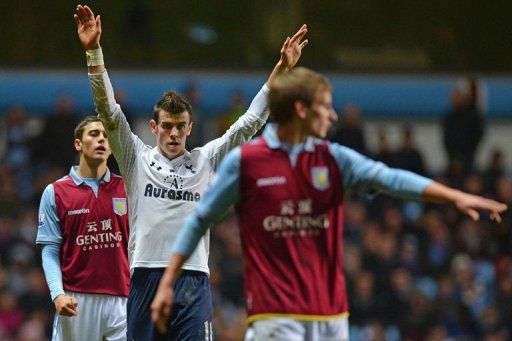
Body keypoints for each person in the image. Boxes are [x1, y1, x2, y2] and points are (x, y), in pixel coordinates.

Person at [151, 67, 507, 340]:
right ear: (301, 110)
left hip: (332, 317)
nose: (333, 116)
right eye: (325, 107)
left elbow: (391, 178)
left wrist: (454, 196)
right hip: (275, 316)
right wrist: (168, 282)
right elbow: (199, 221)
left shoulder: (334, 159)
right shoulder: (246, 163)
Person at [73, 4, 309, 339]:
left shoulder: (205, 160)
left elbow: (249, 123)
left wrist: (281, 70)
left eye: (180, 127)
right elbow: (108, 111)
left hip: (192, 280)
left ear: (190, 127)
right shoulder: (136, 158)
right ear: (154, 127)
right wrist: (94, 51)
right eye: (167, 126)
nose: (173, 134)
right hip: (144, 278)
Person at [36, 116, 130, 341]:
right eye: (94, 134)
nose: (101, 140)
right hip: (77, 299)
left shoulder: (127, 187)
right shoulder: (55, 192)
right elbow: (50, 250)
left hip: (123, 299)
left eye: (106, 137)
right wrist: (57, 294)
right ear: (78, 144)